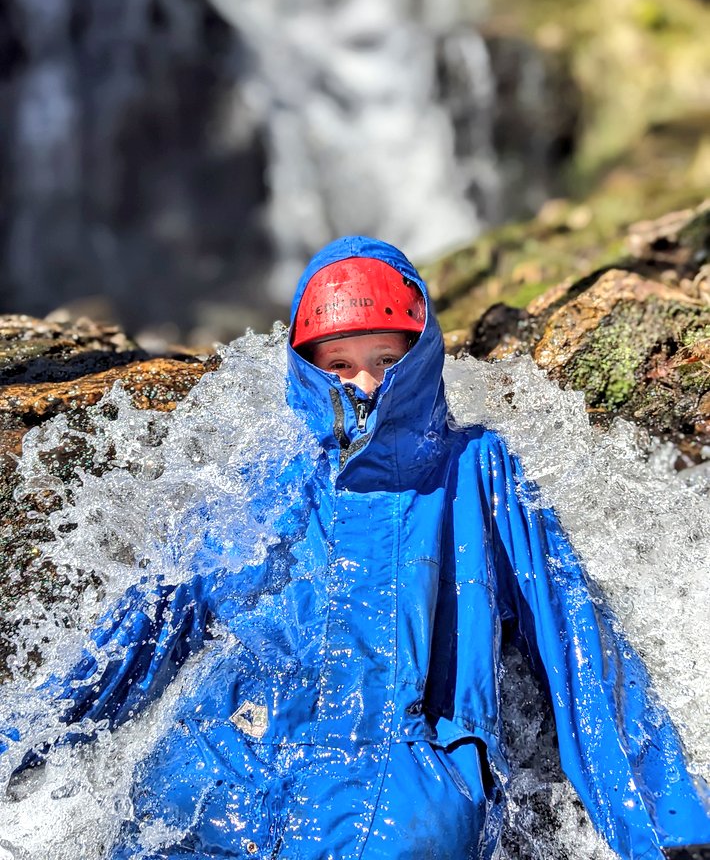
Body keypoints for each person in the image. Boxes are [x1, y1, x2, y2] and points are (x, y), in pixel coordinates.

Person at [2, 235, 710, 859]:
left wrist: (662, 821)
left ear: (423, 355)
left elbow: (573, 637)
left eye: (384, 358)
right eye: (338, 364)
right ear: (306, 369)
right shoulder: (266, 477)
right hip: (231, 764)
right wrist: (21, 743)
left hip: (406, 780)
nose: (366, 383)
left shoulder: (476, 467)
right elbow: (147, 625)